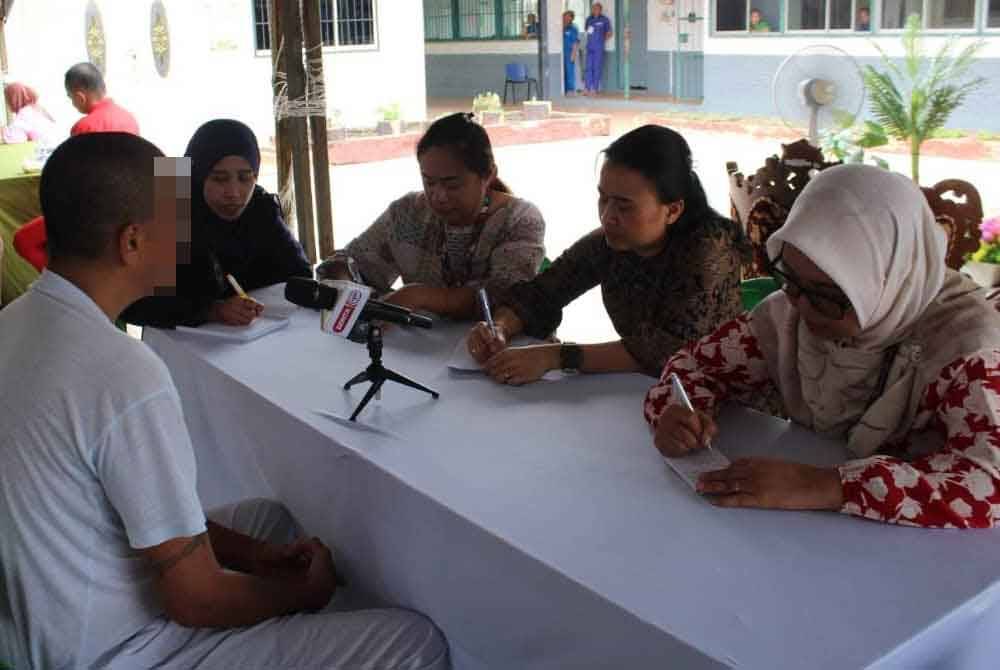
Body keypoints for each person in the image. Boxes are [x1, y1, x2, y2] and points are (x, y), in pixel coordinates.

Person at [0, 132, 448, 668]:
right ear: (133, 243)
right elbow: (195, 599)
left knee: (272, 523)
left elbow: (124, 505)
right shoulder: (123, 372)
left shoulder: (15, 321)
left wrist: (258, 557)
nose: (187, 237)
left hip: (52, 611)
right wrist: (307, 595)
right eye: (176, 221)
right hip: (123, 650)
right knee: (413, 641)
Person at [645, 165, 1000, 529]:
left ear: (887, 279)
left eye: (827, 295)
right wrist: (678, 414)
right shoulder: (792, 312)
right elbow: (695, 367)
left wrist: (827, 485)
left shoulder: (968, 347)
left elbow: (988, 481)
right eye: (790, 279)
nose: (801, 307)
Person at [466, 125, 745, 385]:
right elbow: (543, 293)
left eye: (624, 206)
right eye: (603, 198)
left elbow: (666, 349)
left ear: (672, 210)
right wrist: (499, 327)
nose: (607, 216)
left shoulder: (709, 250)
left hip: (727, 401)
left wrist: (555, 357)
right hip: (649, 392)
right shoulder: (612, 242)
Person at [318, 112, 545, 320]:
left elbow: (509, 296)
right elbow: (349, 263)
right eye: (429, 182)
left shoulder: (519, 220)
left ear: (488, 175)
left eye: (452, 184)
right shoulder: (406, 214)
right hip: (422, 351)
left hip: (501, 354)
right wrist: (344, 284)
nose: (439, 196)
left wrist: (420, 296)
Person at [122, 119, 311, 328]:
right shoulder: (166, 199)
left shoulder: (259, 206)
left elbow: (298, 272)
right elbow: (131, 302)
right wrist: (211, 310)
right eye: (219, 179)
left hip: (250, 336)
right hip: (177, 342)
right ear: (198, 174)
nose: (234, 193)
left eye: (245, 177)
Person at [65, 61, 140, 136]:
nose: (72, 103)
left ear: (80, 98)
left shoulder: (82, 128)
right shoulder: (129, 118)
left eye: (71, 97)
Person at [584, 3, 613, 95]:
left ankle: (595, 88)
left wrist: (602, 40)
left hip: (599, 47)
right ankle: (587, 88)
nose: (594, 10)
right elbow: (587, 31)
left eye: (596, 9)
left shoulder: (604, 19)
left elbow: (609, 32)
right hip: (589, 46)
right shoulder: (589, 19)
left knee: (596, 67)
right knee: (588, 67)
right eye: (593, 9)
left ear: (600, 10)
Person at [563, 11, 581, 95]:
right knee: (564, 72)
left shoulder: (573, 28)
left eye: (567, 16)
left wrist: (573, 54)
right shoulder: (562, 27)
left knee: (570, 71)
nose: (565, 18)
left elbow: (576, 42)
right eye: (564, 16)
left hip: (570, 52)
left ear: (571, 18)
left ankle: (571, 89)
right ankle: (565, 89)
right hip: (562, 53)